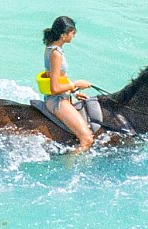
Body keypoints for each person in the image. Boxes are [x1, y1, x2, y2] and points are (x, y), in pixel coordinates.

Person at [37, 16, 100, 153]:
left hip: (62, 97)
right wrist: (76, 83)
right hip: (57, 101)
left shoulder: (51, 48)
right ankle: (69, 166)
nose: (74, 36)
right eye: (72, 33)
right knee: (87, 139)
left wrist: (74, 91)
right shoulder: (56, 54)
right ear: (63, 35)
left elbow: (60, 78)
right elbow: (55, 88)